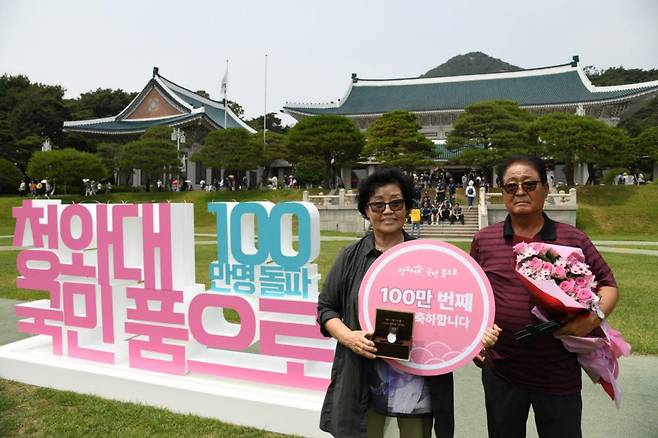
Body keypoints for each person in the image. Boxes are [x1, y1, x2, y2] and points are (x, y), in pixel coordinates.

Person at [317, 168, 500, 438]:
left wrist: (469, 343)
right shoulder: (351, 257)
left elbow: (447, 310)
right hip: (363, 373)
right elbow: (326, 309)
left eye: (396, 203)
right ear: (366, 210)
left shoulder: (429, 258)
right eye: (378, 204)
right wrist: (348, 337)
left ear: (407, 208)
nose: (387, 210)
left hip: (419, 377)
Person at [470, 155, 619, 438]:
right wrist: (475, 342)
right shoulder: (484, 240)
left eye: (529, 184)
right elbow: (474, 296)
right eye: (511, 186)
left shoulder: (572, 238)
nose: (520, 191)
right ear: (502, 192)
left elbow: (609, 286)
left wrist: (590, 320)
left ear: (546, 188)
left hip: (557, 372)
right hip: (502, 370)